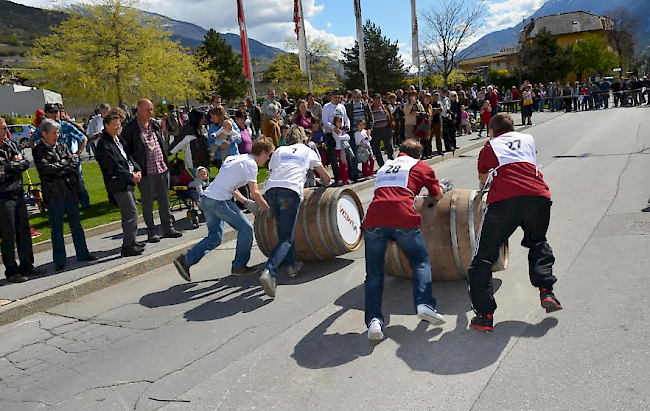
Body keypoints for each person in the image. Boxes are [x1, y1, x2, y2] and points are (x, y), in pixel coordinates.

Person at [468, 113, 561, 332]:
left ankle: (485, 314)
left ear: (491, 131)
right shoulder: (528, 139)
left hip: (505, 202)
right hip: (538, 196)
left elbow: (483, 178)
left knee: (483, 257)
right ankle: (547, 291)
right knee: (538, 242)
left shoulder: (490, 147)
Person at [362, 139, 446, 340]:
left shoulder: (384, 167)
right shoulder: (420, 166)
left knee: (373, 273)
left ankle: (374, 321)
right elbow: (438, 193)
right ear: (419, 155)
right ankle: (424, 303)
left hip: (374, 219)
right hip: (402, 217)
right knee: (420, 261)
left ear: (400, 152)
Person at [174, 138, 275, 282]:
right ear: (263, 152)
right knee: (246, 229)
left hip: (207, 198)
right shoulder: (251, 164)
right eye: (268, 155)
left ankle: (185, 261)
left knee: (214, 237)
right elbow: (255, 193)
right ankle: (239, 266)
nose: (268, 159)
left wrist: (246, 203)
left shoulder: (234, 158)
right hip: (219, 201)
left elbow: (230, 187)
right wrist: (268, 210)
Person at [258, 127, 332, 298]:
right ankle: (270, 271)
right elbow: (325, 178)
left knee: (283, 229)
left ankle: (291, 265)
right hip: (289, 190)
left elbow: (272, 169)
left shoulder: (278, 150)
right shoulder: (308, 151)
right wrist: (324, 182)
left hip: (270, 190)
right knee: (286, 237)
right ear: (304, 139)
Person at [33, 119, 97, 271]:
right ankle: (60, 261)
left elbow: (74, 164)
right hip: (54, 193)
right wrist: (65, 164)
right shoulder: (38, 150)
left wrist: (64, 164)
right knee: (57, 228)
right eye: (54, 133)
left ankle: (83, 253)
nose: (57, 135)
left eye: (57, 132)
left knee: (76, 224)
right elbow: (47, 169)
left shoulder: (62, 146)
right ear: (44, 134)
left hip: (69, 190)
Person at [122, 99, 182, 243]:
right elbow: (127, 151)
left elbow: (161, 143)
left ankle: (168, 227)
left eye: (151, 109)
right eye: (148, 109)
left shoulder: (154, 124)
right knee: (147, 203)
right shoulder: (131, 128)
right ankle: (151, 232)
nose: (151, 112)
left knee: (164, 200)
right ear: (139, 110)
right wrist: (136, 168)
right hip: (146, 171)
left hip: (161, 168)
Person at [95, 109, 146, 257]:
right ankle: (127, 246)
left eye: (119, 125)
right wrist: (130, 177)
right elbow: (114, 167)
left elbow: (128, 157)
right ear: (106, 125)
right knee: (130, 212)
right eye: (115, 126)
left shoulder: (118, 140)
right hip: (118, 184)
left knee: (133, 212)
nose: (118, 128)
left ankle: (132, 241)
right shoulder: (103, 145)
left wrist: (137, 170)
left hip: (128, 180)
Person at [0, 117, 42, 283]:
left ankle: (27, 265)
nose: (6, 131)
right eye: (3, 128)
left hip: (18, 193)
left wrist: (10, 166)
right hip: (3, 196)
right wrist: (13, 166)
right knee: (8, 234)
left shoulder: (10, 144)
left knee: (24, 231)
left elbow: (24, 163)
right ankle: (11, 271)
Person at [322, 90, 350, 182]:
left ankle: (344, 176)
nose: (337, 99)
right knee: (334, 157)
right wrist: (333, 127)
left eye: (339, 97)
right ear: (331, 97)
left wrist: (347, 126)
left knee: (344, 157)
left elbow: (346, 118)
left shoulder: (342, 107)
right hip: (331, 134)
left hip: (341, 133)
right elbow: (325, 121)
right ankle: (337, 177)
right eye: (335, 97)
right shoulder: (326, 107)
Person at [369, 93, 394, 167]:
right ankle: (381, 164)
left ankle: (391, 162)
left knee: (389, 146)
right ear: (373, 100)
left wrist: (391, 126)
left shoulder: (385, 107)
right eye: (376, 99)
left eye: (379, 99)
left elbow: (390, 117)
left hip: (386, 129)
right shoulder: (370, 109)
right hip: (376, 130)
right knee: (376, 148)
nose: (378, 101)